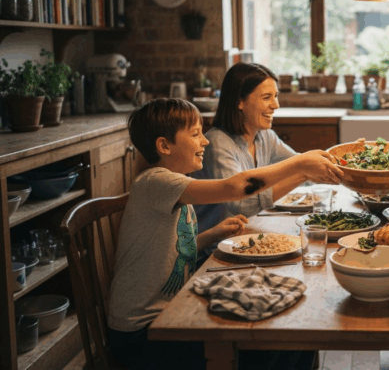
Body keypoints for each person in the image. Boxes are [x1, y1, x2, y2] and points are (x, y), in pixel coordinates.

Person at [107, 98, 342, 370]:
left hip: (169, 314)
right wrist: (299, 163)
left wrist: (211, 234)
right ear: (164, 146)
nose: (204, 141)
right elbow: (237, 187)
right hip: (141, 336)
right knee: (270, 348)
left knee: (295, 342)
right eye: (195, 134)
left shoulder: (177, 188)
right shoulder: (156, 181)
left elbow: (171, 248)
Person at [195, 63, 305, 253]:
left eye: (276, 96)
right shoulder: (218, 143)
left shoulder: (264, 136)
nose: (276, 105)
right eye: (266, 97)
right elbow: (243, 204)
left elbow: (296, 161)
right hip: (212, 252)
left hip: (247, 240)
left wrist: (335, 162)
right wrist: (305, 172)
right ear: (239, 101)